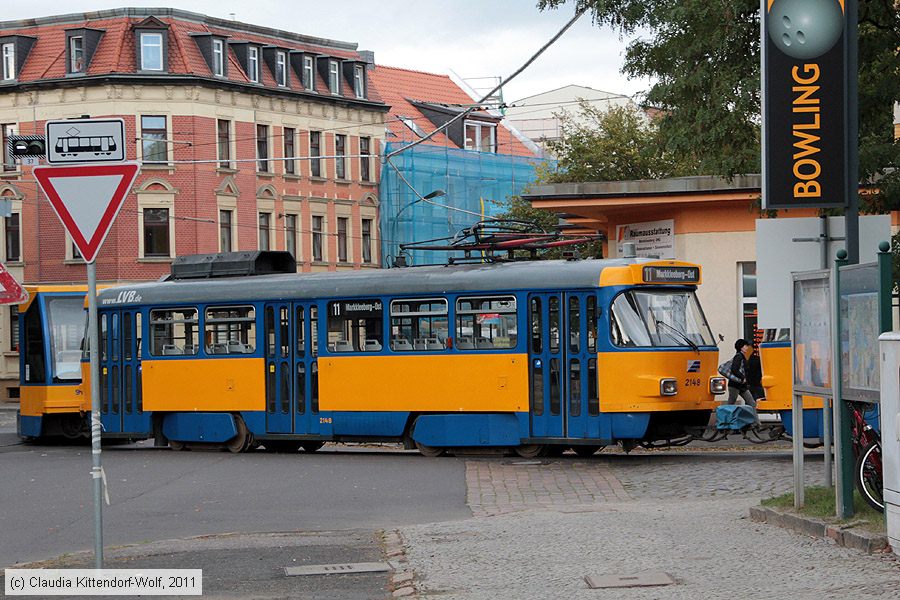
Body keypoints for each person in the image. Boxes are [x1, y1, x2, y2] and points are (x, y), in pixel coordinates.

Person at [726, 338, 756, 408]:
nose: (747, 347)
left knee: (752, 404)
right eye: (745, 346)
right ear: (741, 347)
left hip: (742, 385)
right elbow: (734, 369)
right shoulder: (738, 356)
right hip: (735, 385)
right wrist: (742, 377)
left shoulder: (742, 356)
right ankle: (725, 418)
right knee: (730, 404)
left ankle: (754, 419)